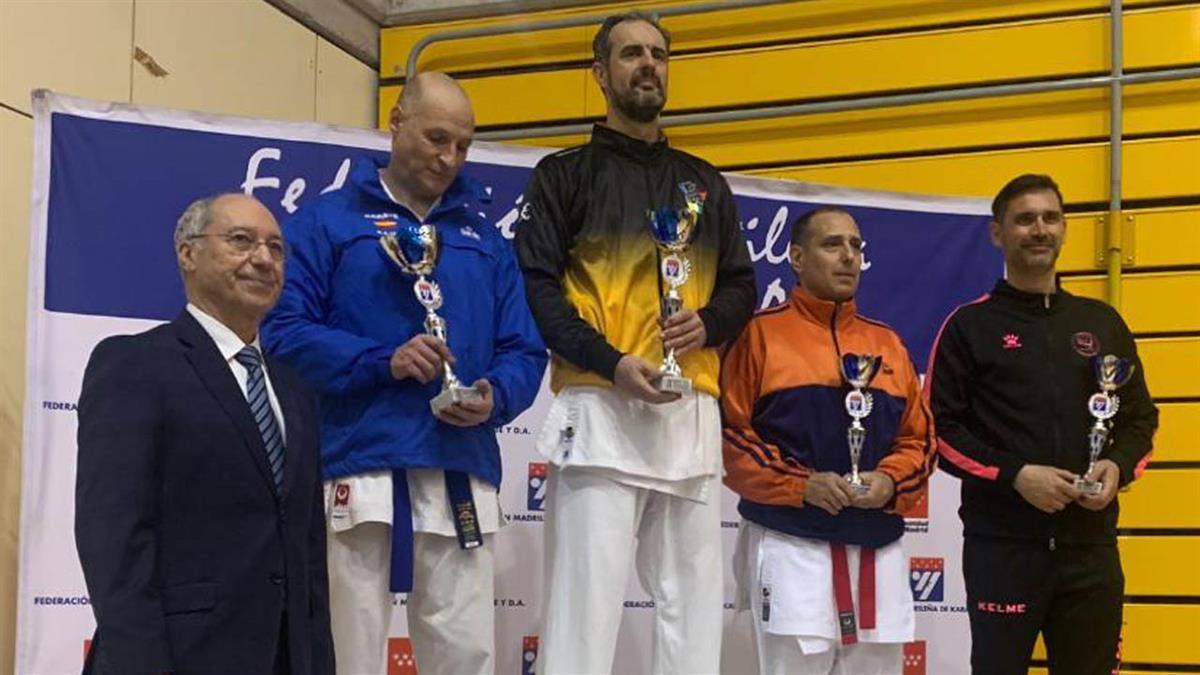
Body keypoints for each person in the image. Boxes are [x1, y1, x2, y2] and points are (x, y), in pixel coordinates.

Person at [261, 71, 547, 675]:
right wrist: (381, 360)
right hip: (359, 459)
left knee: (465, 656)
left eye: (463, 145)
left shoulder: (484, 238)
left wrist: (494, 395)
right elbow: (283, 332)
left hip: (459, 463)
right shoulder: (327, 222)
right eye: (437, 138)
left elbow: (524, 349)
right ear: (395, 123)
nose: (450, 158)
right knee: (346, 651)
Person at [515, 11, 757, 674]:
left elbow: (742, 285)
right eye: (630, 54)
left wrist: (708, 324)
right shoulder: (563, 174)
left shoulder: (703, 182)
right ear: (600, 73)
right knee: (584, 611)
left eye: (658, 54)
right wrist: (611, 362)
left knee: (694, 611)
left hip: (689, 409)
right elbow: (539, 291)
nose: (647, 64)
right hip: (601, 404)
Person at [75, 194, 333, 674]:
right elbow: (112, 535)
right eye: (241, 240)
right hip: (177, 655)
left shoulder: (295, 391)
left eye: (276, 248)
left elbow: (308, 552)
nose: (263, 259)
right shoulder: (134, 363)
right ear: (188, 253)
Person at [926, 174, 1159, 675]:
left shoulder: (1102, 323)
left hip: (1090, 548)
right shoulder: (970, 326)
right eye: (1025, 219)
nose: (1039, 229)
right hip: (1003, 550)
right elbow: (939, 432)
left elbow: (1141, 420)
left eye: (1051, 218)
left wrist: (1117, 467)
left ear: (1064, 229)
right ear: (998, 233)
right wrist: (1016, 475)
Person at [720, 207, 934, 674]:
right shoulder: (759, 335)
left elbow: (918, 442)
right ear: (797, 257)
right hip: (791, 544)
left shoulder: (888, 344)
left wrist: (890, 482)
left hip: (878, 548)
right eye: (832, 244)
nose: (848, 257)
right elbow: (730, 438)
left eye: (856, 246)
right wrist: (801, 485)